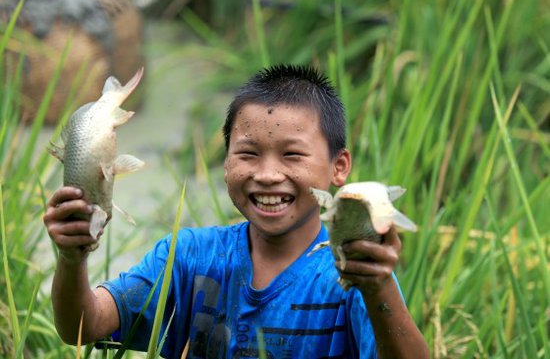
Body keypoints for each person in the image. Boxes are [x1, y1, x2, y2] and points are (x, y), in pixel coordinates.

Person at [44, 64, 430, 358]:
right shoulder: (189, 257)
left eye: (292, 155)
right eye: (247, 153)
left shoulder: (350, 274)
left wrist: (379, 286)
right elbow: (83, 326)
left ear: (338, 167)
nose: (266, 175)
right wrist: (70, 256)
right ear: (225, 162)